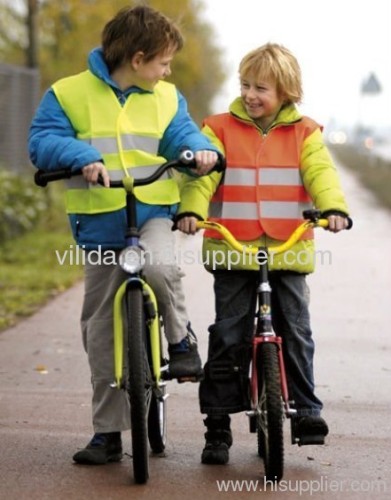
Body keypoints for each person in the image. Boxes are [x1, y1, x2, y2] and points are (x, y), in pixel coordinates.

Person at [28, 5, 220, 465]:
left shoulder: (167, 97)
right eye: (163, 61)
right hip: (98, 223)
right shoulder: (68, 93)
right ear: (137, 58)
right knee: (99, 328)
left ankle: (180, 340)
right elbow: (42, 139)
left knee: (159, 265)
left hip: (151, 210)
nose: (167, 70)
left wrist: (203, 153)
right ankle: (107, 433)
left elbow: (185, 136)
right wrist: (79, 156)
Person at [176, 43, 350, 465]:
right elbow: (203, 179)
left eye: (262, 88)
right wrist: (192, 212)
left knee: (297, 330)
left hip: (286, 251)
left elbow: (320, 172)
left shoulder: (305, 132)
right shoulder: (218, 128)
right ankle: (217, 424)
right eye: (245, 85)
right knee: (229, 335)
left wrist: (333, 209)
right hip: (232, 248)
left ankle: (307, 410)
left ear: (287, 92)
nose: (251, 94)